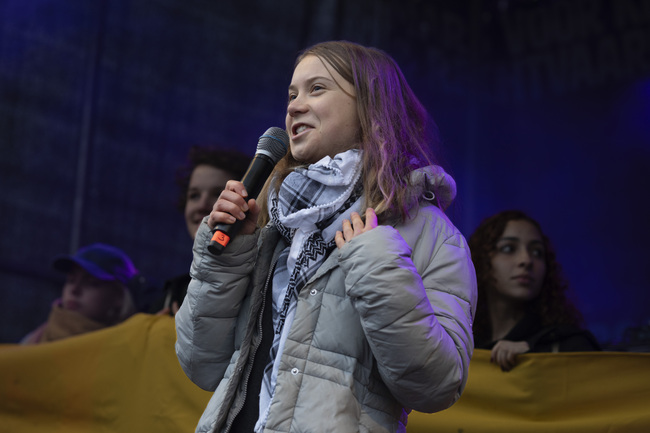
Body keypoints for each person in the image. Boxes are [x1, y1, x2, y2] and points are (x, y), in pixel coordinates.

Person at [175, 40, 477, 433]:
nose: (294, 107)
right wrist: (226, 261)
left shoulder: (428, 232)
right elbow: (201, 363)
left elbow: (437, 386)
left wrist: (377, 267)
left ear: (371, 107)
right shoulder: (269, 216)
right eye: (292, 95)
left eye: (316, 89)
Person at [468, 210, 601, 372]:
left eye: (537, 252)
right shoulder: (463, 347)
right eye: (508, 248)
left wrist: (538, 358)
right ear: (481, 261)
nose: (526, 260)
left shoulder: (571, 346)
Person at [150, 146, 249, 315]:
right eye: (194, 195)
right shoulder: (172, 295)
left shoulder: (260, 283)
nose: (202, 205)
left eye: (218, 194)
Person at [21, 243, 139, 344]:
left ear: (119, 297)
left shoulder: (131, 346)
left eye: (92, 283)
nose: (74, 290)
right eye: (71, 280)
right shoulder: (33, 342)